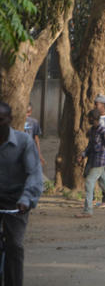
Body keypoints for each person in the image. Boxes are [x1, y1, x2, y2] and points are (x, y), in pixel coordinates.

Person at [0, 101, 42, 286]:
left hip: (16, 203)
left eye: (0, 120)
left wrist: (26, 199)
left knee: (14, 246)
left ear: (9, 120)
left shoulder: (23, 142)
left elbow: (34, 173)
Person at [75, 109, 105, 219]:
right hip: (94, 161)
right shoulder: (93, 130)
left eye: (89, 118)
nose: (88, 120)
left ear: (94, 118)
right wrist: (83, 155)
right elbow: (90, 146)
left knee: (89, 182)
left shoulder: (103, 131)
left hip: (100, 161)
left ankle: (87, 211)